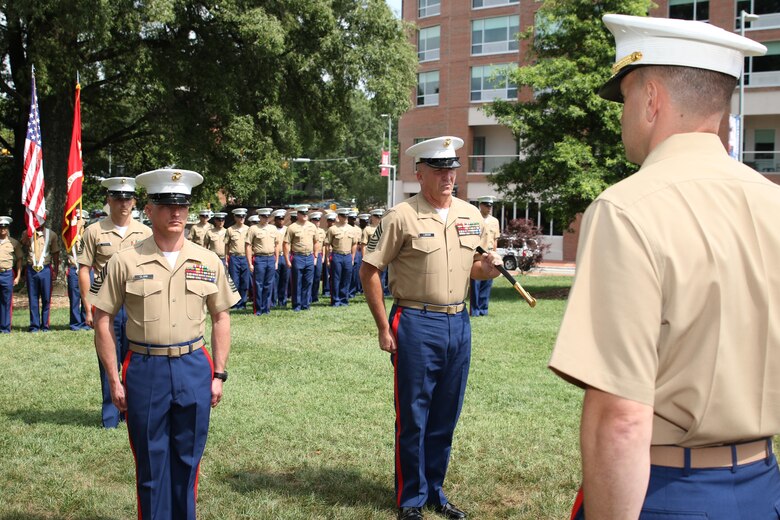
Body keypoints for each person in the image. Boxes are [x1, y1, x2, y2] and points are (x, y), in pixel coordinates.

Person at [547, 15, 780, 520]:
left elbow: (621, 418)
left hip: (668, 490)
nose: (623, 115)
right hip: (763, 485)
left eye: (625, 98)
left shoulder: (628, 208)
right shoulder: (773, 203)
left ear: (652, 99)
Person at [360, 136, 501, 520]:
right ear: (419, 173)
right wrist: (382, 326)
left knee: (445, 413)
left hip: (459, 321)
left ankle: (435, 490)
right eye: (439, 170)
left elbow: (471, 265)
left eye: (452, 169)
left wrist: (485, 271)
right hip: (416, 321)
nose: (448, 177)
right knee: (413, 414)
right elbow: (369, 270)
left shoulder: (470, 214)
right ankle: (410, 499)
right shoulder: (400, 216)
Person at [92, 168, 238, 520]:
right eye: (166, 204)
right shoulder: (125, 260)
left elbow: (221, 316)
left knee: (188, 461)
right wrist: (114, 379)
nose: (176, 213)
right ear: (150, 208)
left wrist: (218, 374)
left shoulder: (207, 260)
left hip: (193, 366)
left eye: (183, 205)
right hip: (145, 367)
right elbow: (102, 319)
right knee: (151, 464)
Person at [79, 176, 152, 428]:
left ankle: (133, 412)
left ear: (134, 201)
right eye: (118, 198)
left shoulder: (145, 232)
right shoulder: (94, 231)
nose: (123, 203)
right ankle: (111, 414)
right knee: (108, 360)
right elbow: (84, 269)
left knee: (137, 359)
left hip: (136, 305)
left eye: (128, 198)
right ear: (108, 200)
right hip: (107, 306)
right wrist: (89, 307)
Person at [23, 219, 60, 332]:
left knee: (46, 298)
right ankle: (34, 325)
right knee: (33, 298)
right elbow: (23, 245)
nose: (39, 221)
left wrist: (56, 270)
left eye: (41, 218)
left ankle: (45, 325)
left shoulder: (51, 234)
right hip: (31, 268)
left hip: (45, 269)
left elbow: (55, 253)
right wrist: (29, 233)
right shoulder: (27, 232)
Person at [283, 205, 319, 311]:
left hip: (309, 256)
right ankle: (297, 304)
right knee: (297, 281)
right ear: (298, 214)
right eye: (302, 213)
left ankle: (305, 304)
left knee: (308, 282)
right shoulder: (292, 227)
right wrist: (287, 259)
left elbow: (316, 242)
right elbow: (286, 244)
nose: (304, 215)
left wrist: (315, 256)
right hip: (298, 257)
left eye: (306, 213)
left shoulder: (312, 227)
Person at [469, 196, 500, 317]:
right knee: (475, 286)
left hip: (490, 256)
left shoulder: (494, 221)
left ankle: (483, 310)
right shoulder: (474, 219)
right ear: (480, 205)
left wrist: (495, 255)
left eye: (490, 206)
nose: (489, 208)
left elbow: (495, 240)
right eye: (486, 205)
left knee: (487, 284)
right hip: (478, 256)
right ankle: (475, 310)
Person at [246, 208, 279, 315]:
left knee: (269, 284)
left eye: (268, 216)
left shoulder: (273, 228)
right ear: (259, 217)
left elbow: (277, 245)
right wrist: (250, 263)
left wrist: (276, 260)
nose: (266, 218)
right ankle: (258, 308)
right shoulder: (253, 229)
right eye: (264, 216)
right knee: (258, 284)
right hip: (259, 258)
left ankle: (266, 308)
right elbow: (248, 246)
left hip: (270, 258)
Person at [65, 209, 90, 331]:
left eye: (81, 219)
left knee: (88, 296)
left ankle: (87, 321)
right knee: (74, 298)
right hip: (74, 269)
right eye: (77, 219)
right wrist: (75, 228)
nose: (79, 221)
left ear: (85, 221)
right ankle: (75, 323)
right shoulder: (70, 236)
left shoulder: (90, 234)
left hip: (87, 269)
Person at [326, 208, 357, 307]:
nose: (345, 218)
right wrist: (327, 258)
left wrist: (352, 257)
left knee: (346, 278)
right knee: (335, 278)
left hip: (347, 255)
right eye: (343, 216)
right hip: (336, 255)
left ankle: (344, 300)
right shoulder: (333, 229)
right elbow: (327, 244)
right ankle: (335, 300)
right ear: (338, 217)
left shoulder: (351, 229)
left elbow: (354, 244)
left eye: (346, 216)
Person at [0, 216, 23, 333]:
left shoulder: (13, 242)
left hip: (7, 274)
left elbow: (19, 259)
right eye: (1, 227)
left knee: (6, 301)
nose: (2, 229)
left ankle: (5, 327)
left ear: (8, 228)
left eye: (5, 227)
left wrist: (18, 276)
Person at [226, 207, 250, 309]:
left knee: (245, 281)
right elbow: (226, 245)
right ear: (235, 217)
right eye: (239, 216)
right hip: (234, 258)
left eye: (243, 216)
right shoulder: (230, 230)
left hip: (245, 257)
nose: (241, 218)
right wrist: (227, 258)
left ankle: (243, 303)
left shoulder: (249, 229)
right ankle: (235, 303)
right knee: (234, 282)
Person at [271, 209, 290, 307]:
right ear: (275, 220)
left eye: (282, 219)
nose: (281, 221)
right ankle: (273, 301)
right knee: (274, 280)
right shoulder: (272, 229)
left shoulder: (288, 229)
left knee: (285, 280)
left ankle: (283, 301)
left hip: (285, 256)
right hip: (275, 257)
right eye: (279, 219)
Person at [309, 211, 326, 303]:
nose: (317, 222)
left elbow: (323, 245)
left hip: (319, 255)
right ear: (311, 221)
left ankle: (314, 296)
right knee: (308, 277)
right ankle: (308, 295)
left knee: (317, 276)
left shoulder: (322, 231)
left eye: (318, 220)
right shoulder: (308, 230)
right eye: (315, 220)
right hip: (310, 254)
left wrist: (322, 256)